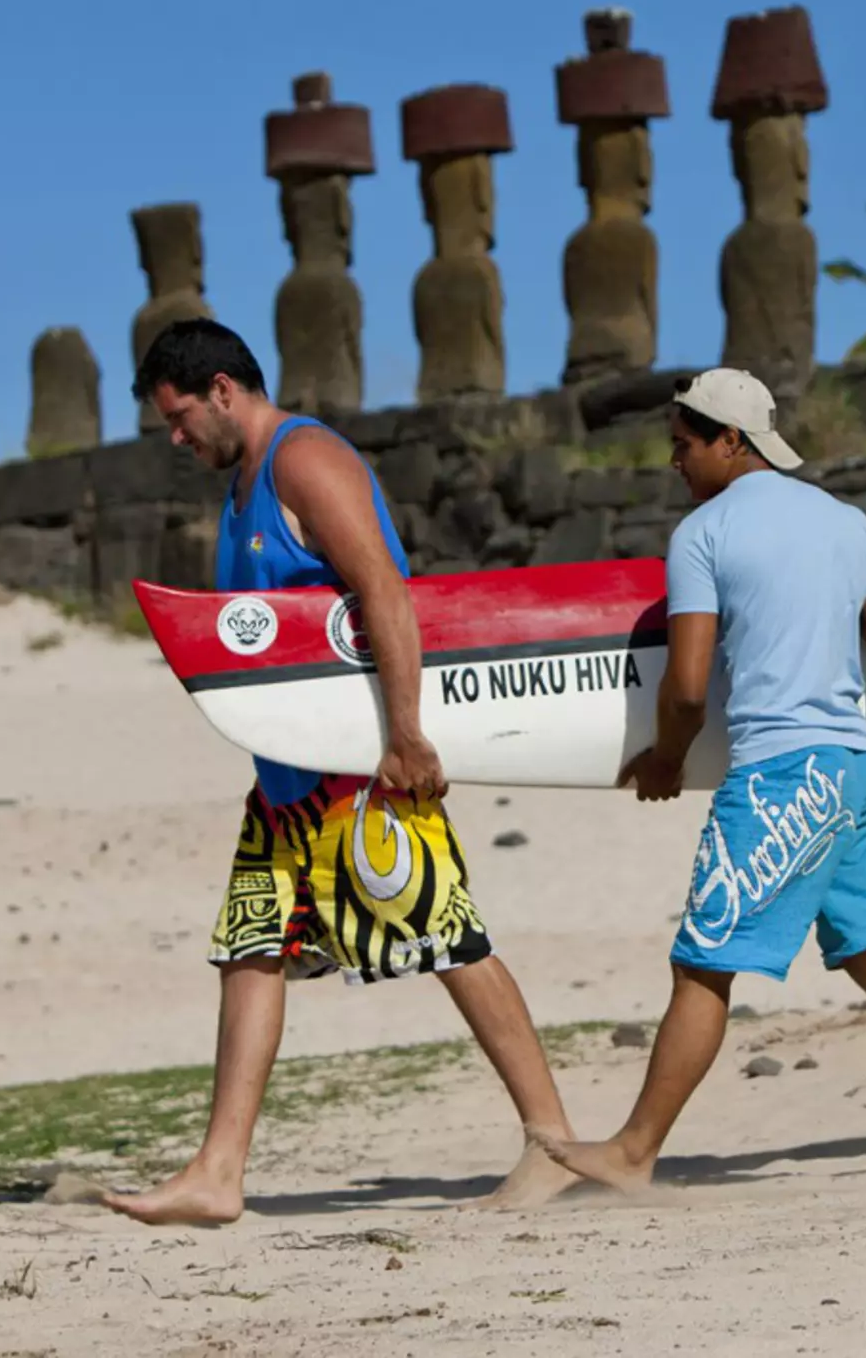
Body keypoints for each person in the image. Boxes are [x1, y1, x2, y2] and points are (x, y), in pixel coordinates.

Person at [103, 317, 579, 1225]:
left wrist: (406, 734)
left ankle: (553, 1142)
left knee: (449, 940)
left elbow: (384, 590)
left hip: (356, 777)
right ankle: (218, 1172)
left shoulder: (304, 459)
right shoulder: (244, 481)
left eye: (178, 418)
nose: (174, 438)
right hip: (284, 788)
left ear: (223, 391)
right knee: (248, 954)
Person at [533, 367, 866, 1192]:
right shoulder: (847, 521)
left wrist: (666, 759)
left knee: (705, 961)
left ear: (730, 440)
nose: (675, 463)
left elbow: (686, 683)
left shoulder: (705, 534)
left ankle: (634, 1151)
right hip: (852, 763)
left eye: (683, 446)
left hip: (780, 772)